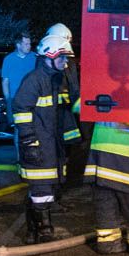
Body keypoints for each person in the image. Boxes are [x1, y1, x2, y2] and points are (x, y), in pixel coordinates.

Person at [12, 31, 74, 243]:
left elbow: (62, 112)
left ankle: (33, 231)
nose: (65, 62)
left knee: (45, 187)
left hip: (50, 144)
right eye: (62, 57)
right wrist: (29, 141)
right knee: (41, 189)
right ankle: (44, 230)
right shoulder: (34, 80)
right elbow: (21, 110)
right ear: (49, 56)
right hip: (39, 143)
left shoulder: (56, 80)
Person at [88, 121, 129, 254]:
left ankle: (108, 243)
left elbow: (81, 108)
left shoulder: (102, 99)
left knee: (105, 203)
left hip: (100, 152)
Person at [44, 23, 87, 189]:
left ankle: (63, 185)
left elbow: (74, 90)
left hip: (66, 117)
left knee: (65, 154)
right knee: (57, 156)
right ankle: (57, 190)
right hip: (58, 119)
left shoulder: (65, 63)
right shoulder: (47, 68)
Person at [0, 32, 37, 109]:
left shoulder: (35, 57)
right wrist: (8, 100)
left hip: (32, 99)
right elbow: (5, 82)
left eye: (30, 44)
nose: (29, 46)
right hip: (15, 100)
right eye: (26, 44)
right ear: (18, 45)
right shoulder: (8, 59)